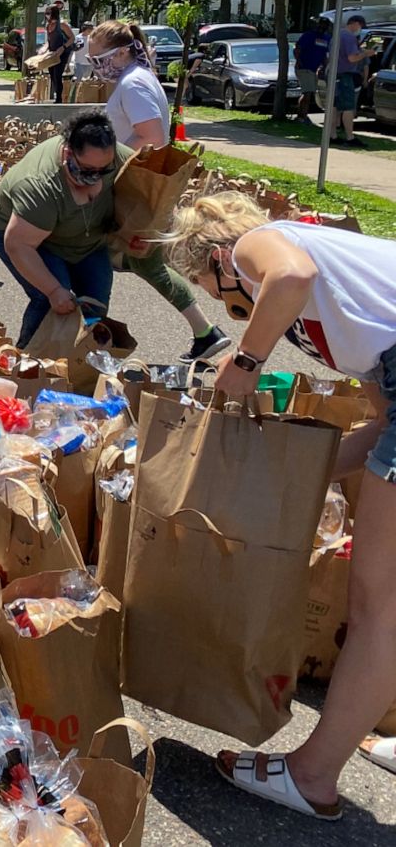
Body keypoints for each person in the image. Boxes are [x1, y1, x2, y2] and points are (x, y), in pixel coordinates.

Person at [158, 192, 396, 821]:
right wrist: (292, 478)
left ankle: (313, 775)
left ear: (215, 257)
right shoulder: (352, 302)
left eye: (208, 285)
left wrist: (245, 361)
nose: (219, 301)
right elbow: (382, 424)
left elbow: (290, 276)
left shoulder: (259, 245)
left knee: (378, 604)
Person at [87, 19, 232, 361]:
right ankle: (205, 332)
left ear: (122, 52)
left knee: (95, 252)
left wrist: (107, 160)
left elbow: (151, 138)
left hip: (136, 188)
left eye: (99, 59)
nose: (96, 68)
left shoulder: (133, 84)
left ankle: (91, 337)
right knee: (143, 262)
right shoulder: (135, 78)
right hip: (140, 186)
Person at [0, 111, 130, 347]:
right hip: (21, 234)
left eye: (103, 171)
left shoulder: (117, 158)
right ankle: (27, 365)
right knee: (50, 300)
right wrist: (53, 290)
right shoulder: (39, 185)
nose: (95, 177)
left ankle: (81, 364)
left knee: (96, 302)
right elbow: (18, 245)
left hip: (81, 235)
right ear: (67, 153)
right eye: (87, 170)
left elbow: (151, 188)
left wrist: (141, 232)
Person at [330, 14, 378, 147]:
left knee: (334, 107)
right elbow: (352, 58)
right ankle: (350, 137)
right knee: (348, 107)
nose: (360, 29)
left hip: (334, 74)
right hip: (345, 75)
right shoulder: (349, 37)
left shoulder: (337, 35)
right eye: (361, 26)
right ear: (355, 23)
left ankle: (332, 135)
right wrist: (366, 54)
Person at [295, 18, 332, 123]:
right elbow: (297, 49)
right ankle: (302, 117)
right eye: (321, 25)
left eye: (325, 25)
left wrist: (325, 67)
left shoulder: (327, 38)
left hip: (314, 69)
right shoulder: (308, 35)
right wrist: (299, 62)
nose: (322, 27)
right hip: (304, 68)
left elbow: (325, 55)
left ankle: (302, 115)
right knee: (307, 93)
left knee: (308, 93)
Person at [44, 3, 74, 104]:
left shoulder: (62, 24)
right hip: (53, 53)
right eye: (46, 13)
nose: (47, 15)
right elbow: (49, 40)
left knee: (57, 74)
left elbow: (72, 38)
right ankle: (57, 93)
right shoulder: (48, 26)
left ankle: (59, 99)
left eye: (49, 13)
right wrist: (44, 49)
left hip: (62, 53)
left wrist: (63, 47)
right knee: (52, 74)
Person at [72, 21, 95, 85]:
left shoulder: (92, 38)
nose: (91, 30)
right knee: (77, 81)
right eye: (90, 29)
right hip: (79, 63)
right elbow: (73, 50)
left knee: (86, 82)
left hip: (89, 63)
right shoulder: (78, 38)